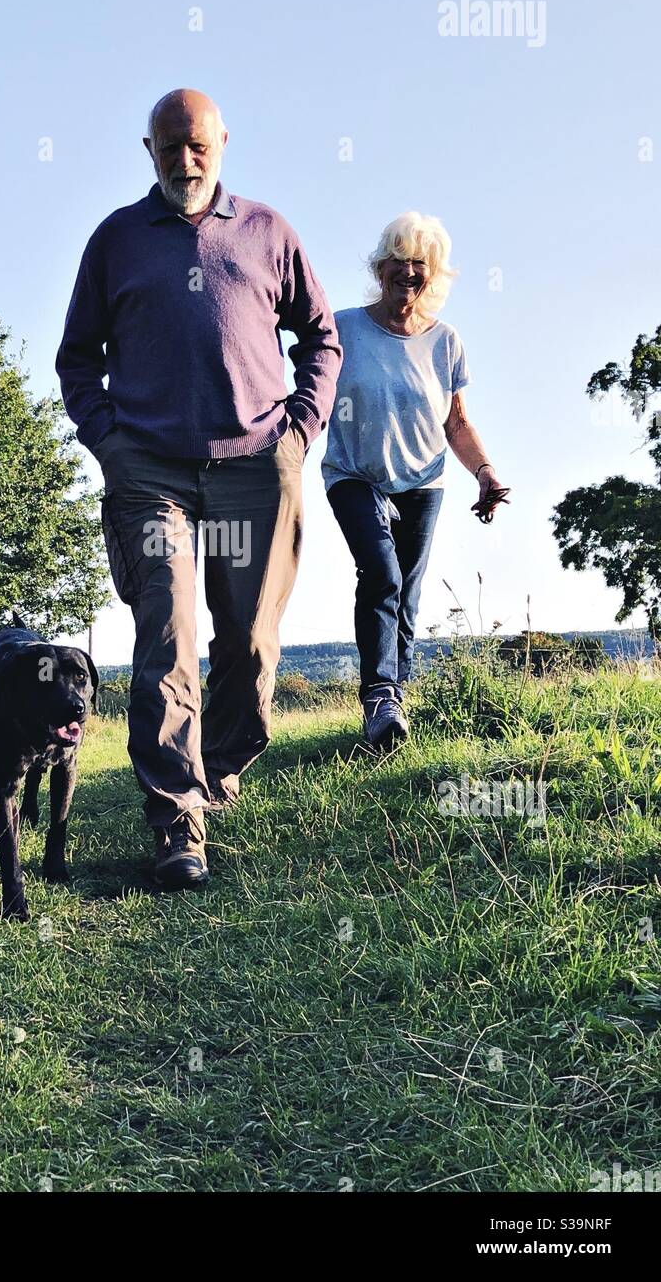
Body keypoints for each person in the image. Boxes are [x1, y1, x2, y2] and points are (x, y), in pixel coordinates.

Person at [56, 89, 341, 888]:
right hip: (150, 474)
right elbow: (77, 360)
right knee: (170, 637)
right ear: (147, 150)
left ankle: (215, 772)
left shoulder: (268, 232)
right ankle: (176, 823)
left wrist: (299, 433)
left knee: (247, 649)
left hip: (256, 465)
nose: (186, 160)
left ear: (223, 144)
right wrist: (109, 442)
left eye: (199, 147)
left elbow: (323, 337)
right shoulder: (115, 240)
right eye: (169, 147)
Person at [322, 211, 508, 750]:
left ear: (435, 276)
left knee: (408, 592)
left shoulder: (445, 341)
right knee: (381, 575)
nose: (408, 272)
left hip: (423, 481)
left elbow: (457, 422)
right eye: (398, 262)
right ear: (380, 269)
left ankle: (392, 705)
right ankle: (379, 695)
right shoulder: (344, 327)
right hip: (354, 474)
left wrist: (485, 472)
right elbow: (314, 394)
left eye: (420, 265)